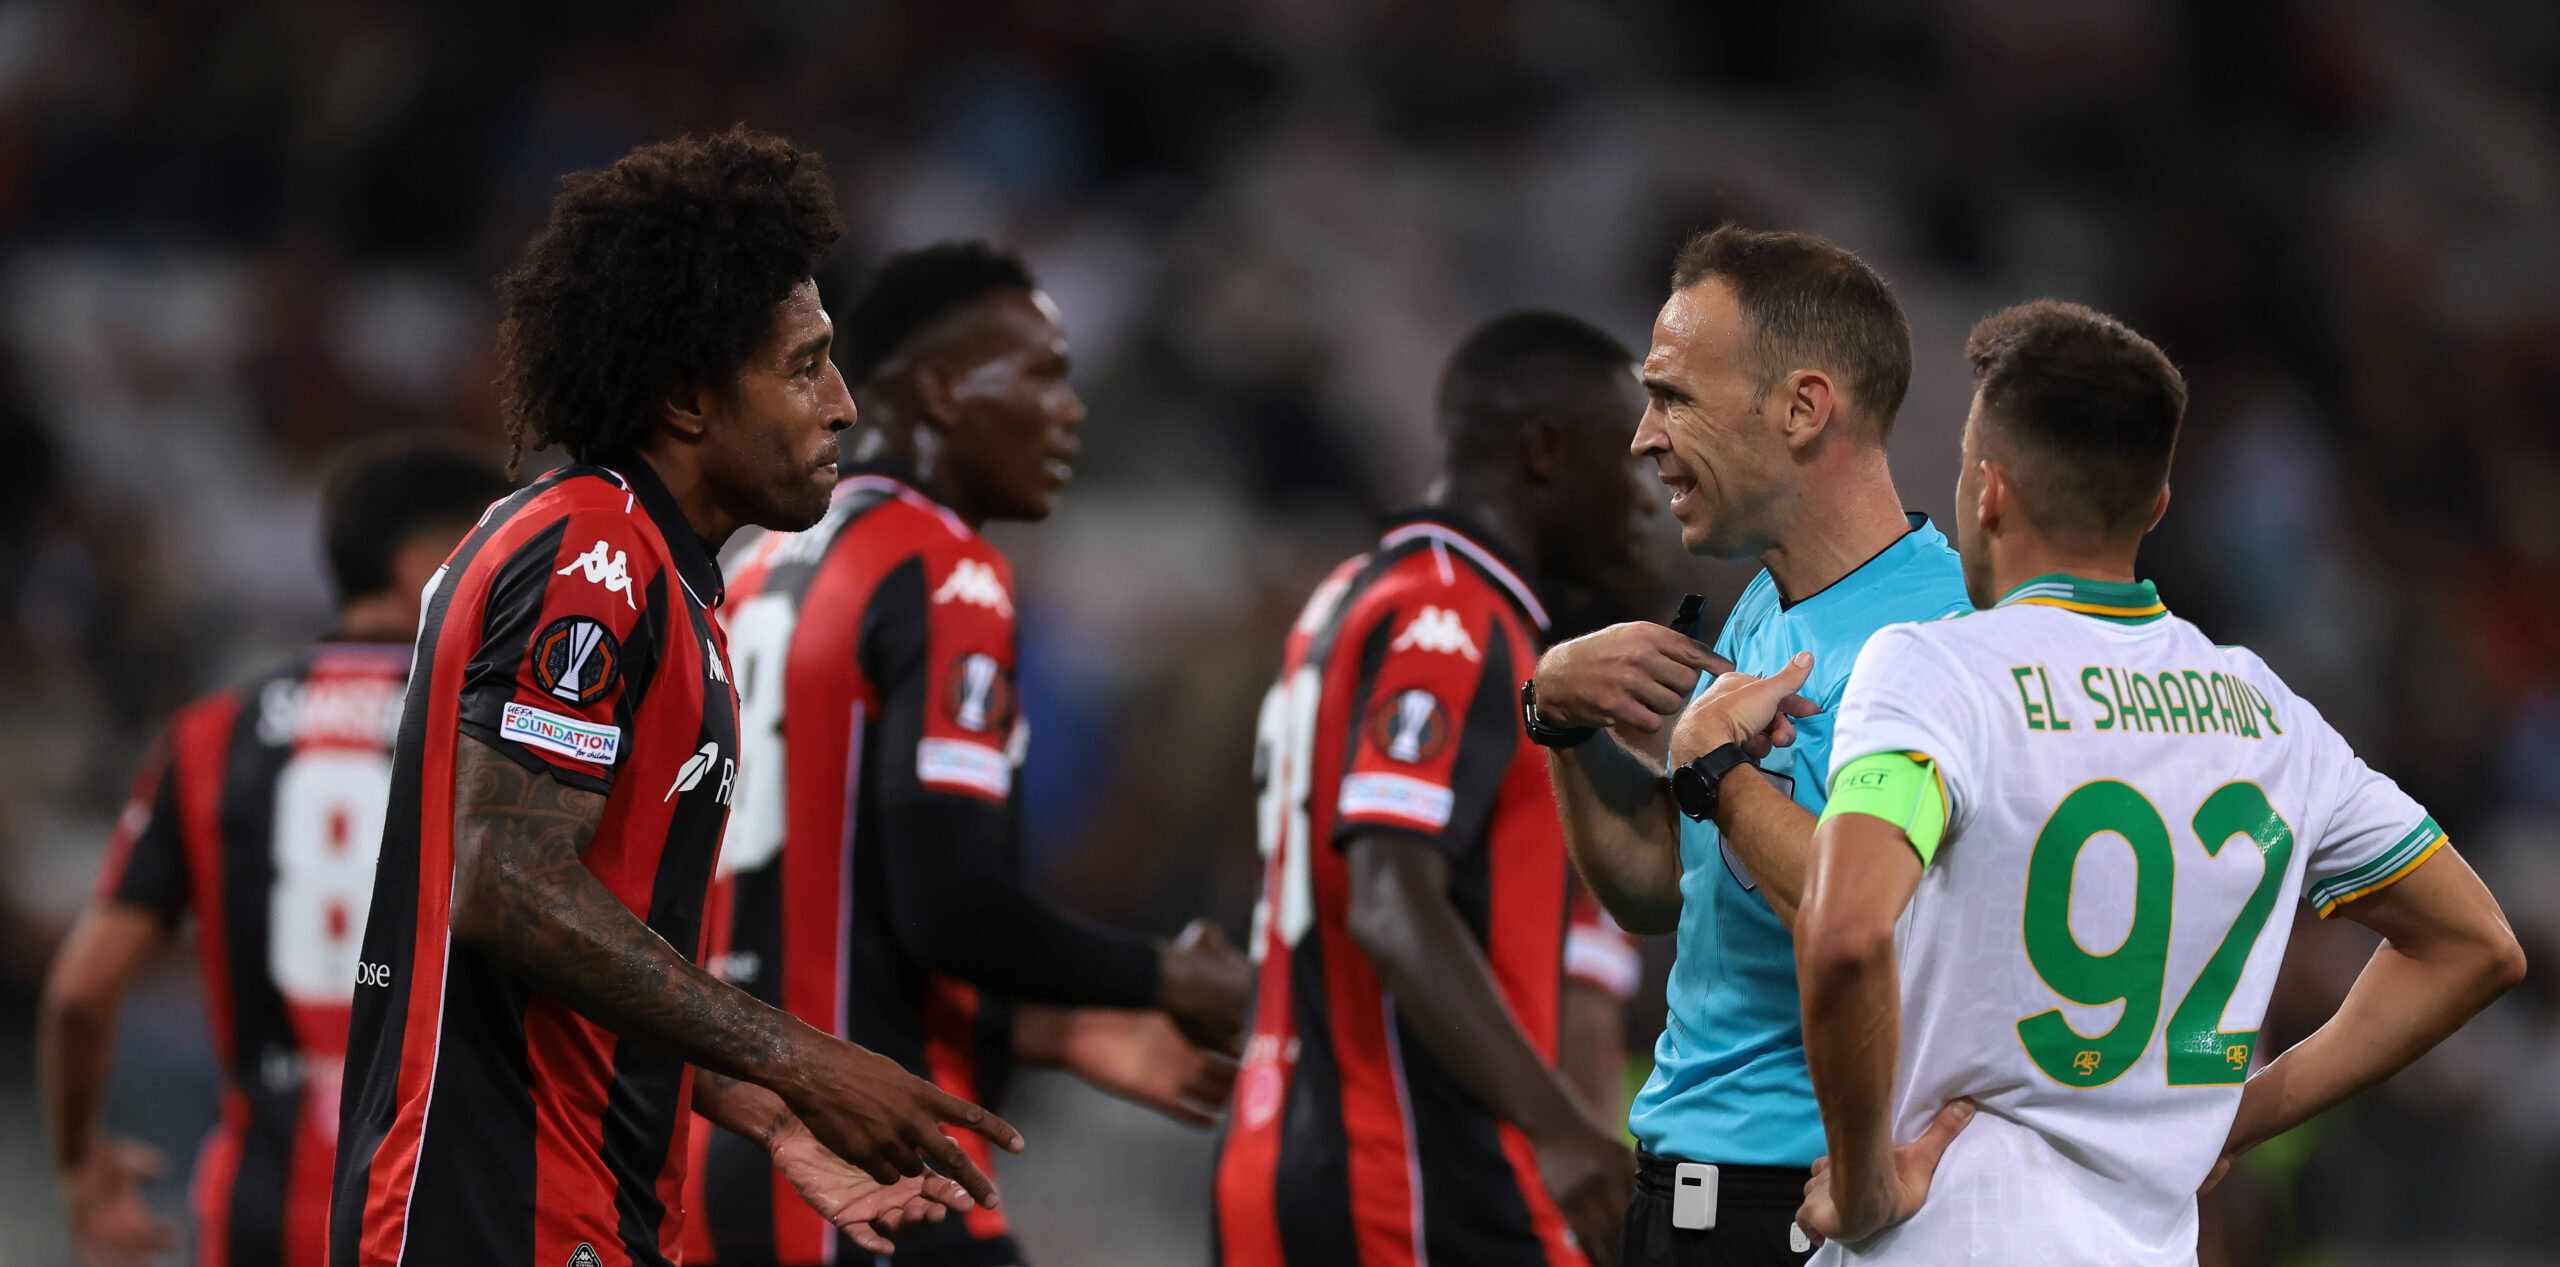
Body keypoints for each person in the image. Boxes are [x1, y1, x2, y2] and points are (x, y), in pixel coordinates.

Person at [1673, 299, 2526, 1263]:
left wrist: (1869, 1182)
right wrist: (2227, 1121)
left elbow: (1845, 923)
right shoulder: (2269, 713)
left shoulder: (1939, 672)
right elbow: (2477, 945)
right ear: (2154, 507)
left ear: (1988, 490)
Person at [328, 129, 1016, 1267]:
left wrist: (774, 1117)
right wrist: (803, 1056)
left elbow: (574, 951)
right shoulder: (589, 551)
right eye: (804, 366)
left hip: (583, 1204)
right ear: (691, 399)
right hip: (496, 1210)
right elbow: (506, 887)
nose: (842, 406)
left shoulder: (652, 569)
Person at [688, 241, 1252, 1267]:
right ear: (942, 390)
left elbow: (840, 907)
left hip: (722, 1150)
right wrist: (1166, 973)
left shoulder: (747, 563)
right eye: (1039, 374)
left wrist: (1062, 1030)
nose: (1069, 409)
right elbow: (950, 907)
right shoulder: (941, 565)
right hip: (875, 1156)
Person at [1526, 226, 1971, 1267]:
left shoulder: (1944, 642)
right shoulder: (1767, 612)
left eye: (1673, 396)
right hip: (1681, 1198)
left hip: (1813, 1209)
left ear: (1804, 407)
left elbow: (1878, 928)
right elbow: (1657, 895)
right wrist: (1559, 720)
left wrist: (1718, 773)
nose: (1642, 437)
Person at [1216, 311, 1661, 1267]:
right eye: (1628, 457)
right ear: (1546, 451)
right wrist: (1564, 1128)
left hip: (1276, 1147)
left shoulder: (1348, 593)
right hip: (1411, 1174)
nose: (1647, 493)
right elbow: (1387, 892)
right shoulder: (1454, 610)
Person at [37, 438, 509, 1267]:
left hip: (264, 1209)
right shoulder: (503, 735)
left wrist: (80, 1159)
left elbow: (80, 991)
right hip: (447, 1208)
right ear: (427, 566)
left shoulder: (211, 736)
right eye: (497, 558)